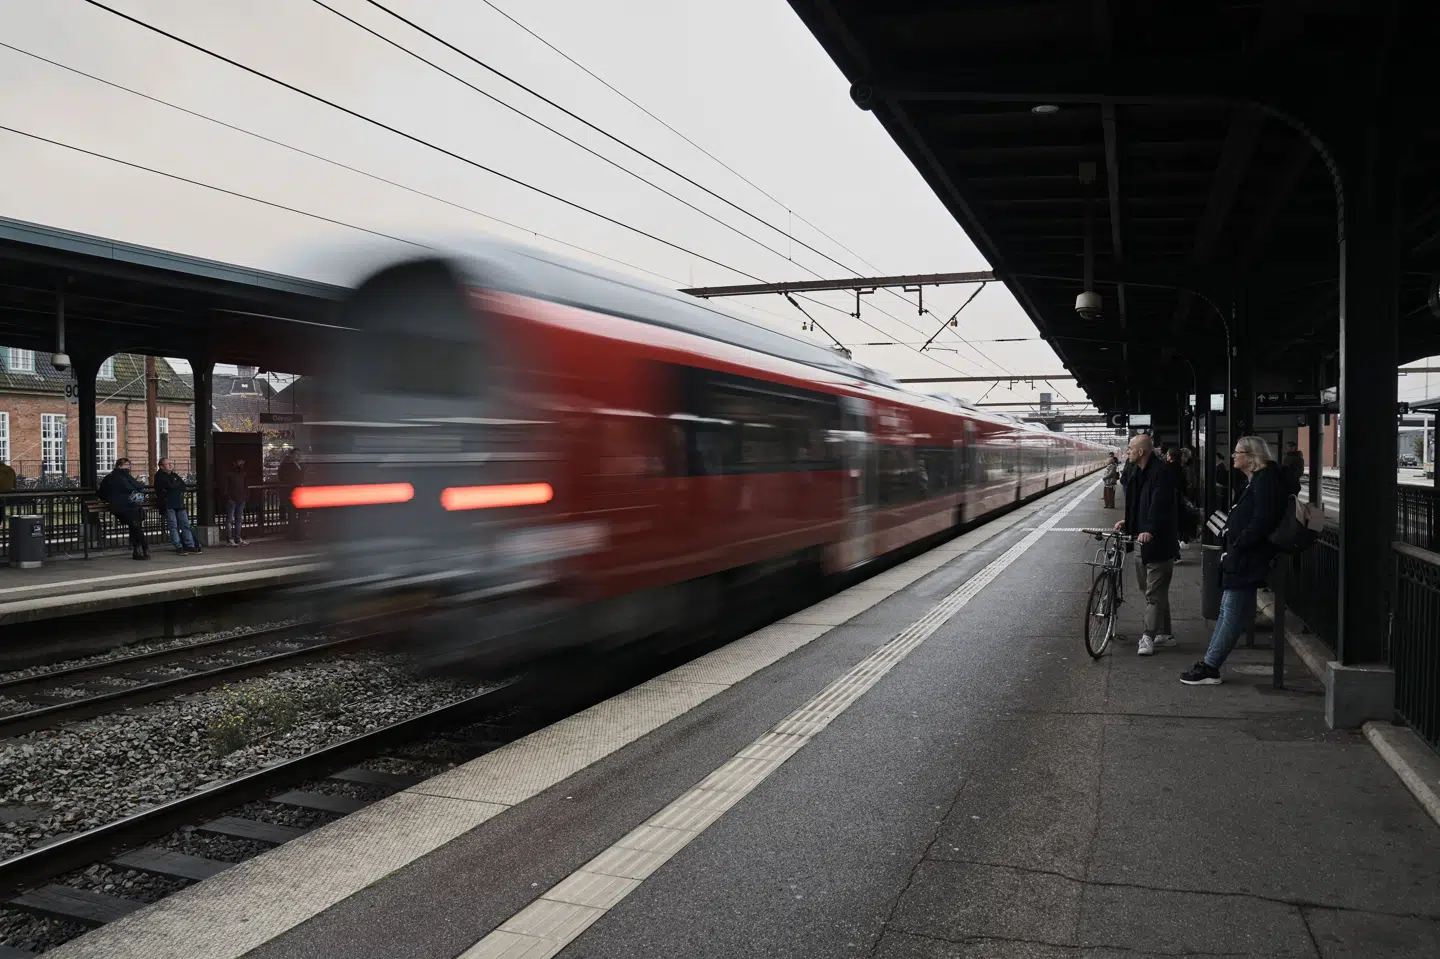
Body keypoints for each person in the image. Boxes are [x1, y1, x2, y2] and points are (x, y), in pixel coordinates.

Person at [1182, 436, 1286, 685]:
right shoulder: (1255, 482)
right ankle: (1209, 664)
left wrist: (1238, 544)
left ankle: (1210, 667)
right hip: (1243, 557)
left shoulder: (1265, 483)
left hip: (1247, 559)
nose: (1233, 456)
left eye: (1237, 452)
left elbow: (1263, 520)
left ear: (1252, 457)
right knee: (1231, 612)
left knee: (1230, 612)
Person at [1113, 433, 1180, 656]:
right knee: (1153, 591)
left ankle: (1148, 637)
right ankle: (1166, 634)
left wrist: (1149, 530)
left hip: (1159, 543)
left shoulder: (1161, 473)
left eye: (1131, 448)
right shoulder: (1136, 472)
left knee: (1153, 594)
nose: (1128, 451)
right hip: (1142, 541)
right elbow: (1137, 504)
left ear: (1141, 452)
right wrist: (1129, 522)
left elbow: (1159, 506)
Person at [97, 457, 149, 560]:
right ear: (119, 466)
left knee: (135, 525)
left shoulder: (113, 477)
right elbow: (136, 486)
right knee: (135, 525)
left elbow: (101, 493)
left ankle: (138, 549)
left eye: (128, 465)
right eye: (126, 465)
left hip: (125, 507)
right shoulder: (121, 477)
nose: (128, 467)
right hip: (124, 508)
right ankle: (142, 547)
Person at [153, 458, 201, 555]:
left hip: (179, 503)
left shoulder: (174, 475)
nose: (170, 465)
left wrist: (174, 485)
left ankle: (190, 545)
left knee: (185, 524)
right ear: (162, 466)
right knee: (173, 525)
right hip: (168, 504)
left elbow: (183, 485)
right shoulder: (159, 476)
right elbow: (169, 486)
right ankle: (178, 546)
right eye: (167, 464)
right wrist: (175, 485)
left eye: (170, 463)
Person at [277, 451, 305, 540]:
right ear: (292, 455)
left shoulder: (300, 465)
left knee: (299, 513)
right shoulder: (287, 465)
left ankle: (300, 532)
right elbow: (283, 477)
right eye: (297, 454)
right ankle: (293, 533)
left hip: (299, 492)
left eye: (299, 454)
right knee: (292, 513)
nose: (299, 456)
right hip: (292, 491)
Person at [222, 458, 249, 547]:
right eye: (239, 462)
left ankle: (234, 539)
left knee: (235, 520)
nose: (241, 464)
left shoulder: (232, 473)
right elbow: (226, 487)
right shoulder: (239, 473)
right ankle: (233, 539)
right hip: (235, 499)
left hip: (237, 499)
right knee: (234, 520)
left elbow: (245, 486)